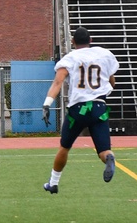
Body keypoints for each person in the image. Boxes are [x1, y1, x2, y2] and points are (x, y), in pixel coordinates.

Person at [40, 26, 119, 193]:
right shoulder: (104, 54)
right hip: (99, 107)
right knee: (103, 150)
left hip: (78, 109)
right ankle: (109, 158)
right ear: (90, 40)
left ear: (73, 42)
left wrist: (47, 104)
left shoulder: (70, 58)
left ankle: (53, 183)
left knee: (65, 147)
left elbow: (57, 83)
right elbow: (112, 82)